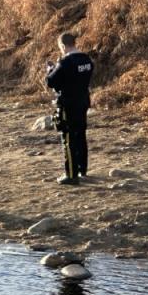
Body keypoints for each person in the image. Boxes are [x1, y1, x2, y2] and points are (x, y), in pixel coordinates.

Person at [46, 32, 94, 185]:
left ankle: (71, 174)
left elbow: (51, 82)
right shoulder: (87, 60)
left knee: (68, 137)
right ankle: (82, 169)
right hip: (83, 102)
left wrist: (50, 70)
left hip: (68, 104)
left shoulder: (65, 63)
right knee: (80, 135)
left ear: (63, 46)